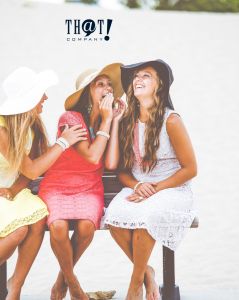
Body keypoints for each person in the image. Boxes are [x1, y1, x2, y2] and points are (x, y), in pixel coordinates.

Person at [0, 67, 87, 300]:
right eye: (41, 93)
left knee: (38, 220)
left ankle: (16, 287)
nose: (46, 98)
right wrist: (63, 142)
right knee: (18, 229)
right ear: (29, 100)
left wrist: (14, 189)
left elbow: (36, 166)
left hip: (11, 190)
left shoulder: (31, 123)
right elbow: (31, 169)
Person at [101, 60, 198, 300]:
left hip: (173, 188)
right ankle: (147, 273)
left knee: (147, 216)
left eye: (146, 76)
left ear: (159, 85)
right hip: (140, 187)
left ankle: (135, 286)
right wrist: (137, 185)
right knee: (114, 218)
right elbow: (121, 171)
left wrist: (155, 189)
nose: (137, 80)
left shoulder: (171, 121)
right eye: (135, 76)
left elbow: (190, 169)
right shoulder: (127, 121)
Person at [38, 63, 126, 300]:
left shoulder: (106, 122)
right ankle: (74, 286)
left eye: (109, 84)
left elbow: (110, 163)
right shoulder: (70, 118)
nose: (107, 88)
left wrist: (114, 121)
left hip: (89, 187)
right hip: (58, 185)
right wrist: (107, 120)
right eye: (100, 84)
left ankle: (62, 280)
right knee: (58, 226)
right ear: (88, 92)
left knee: (87, 226)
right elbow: (91, 154)